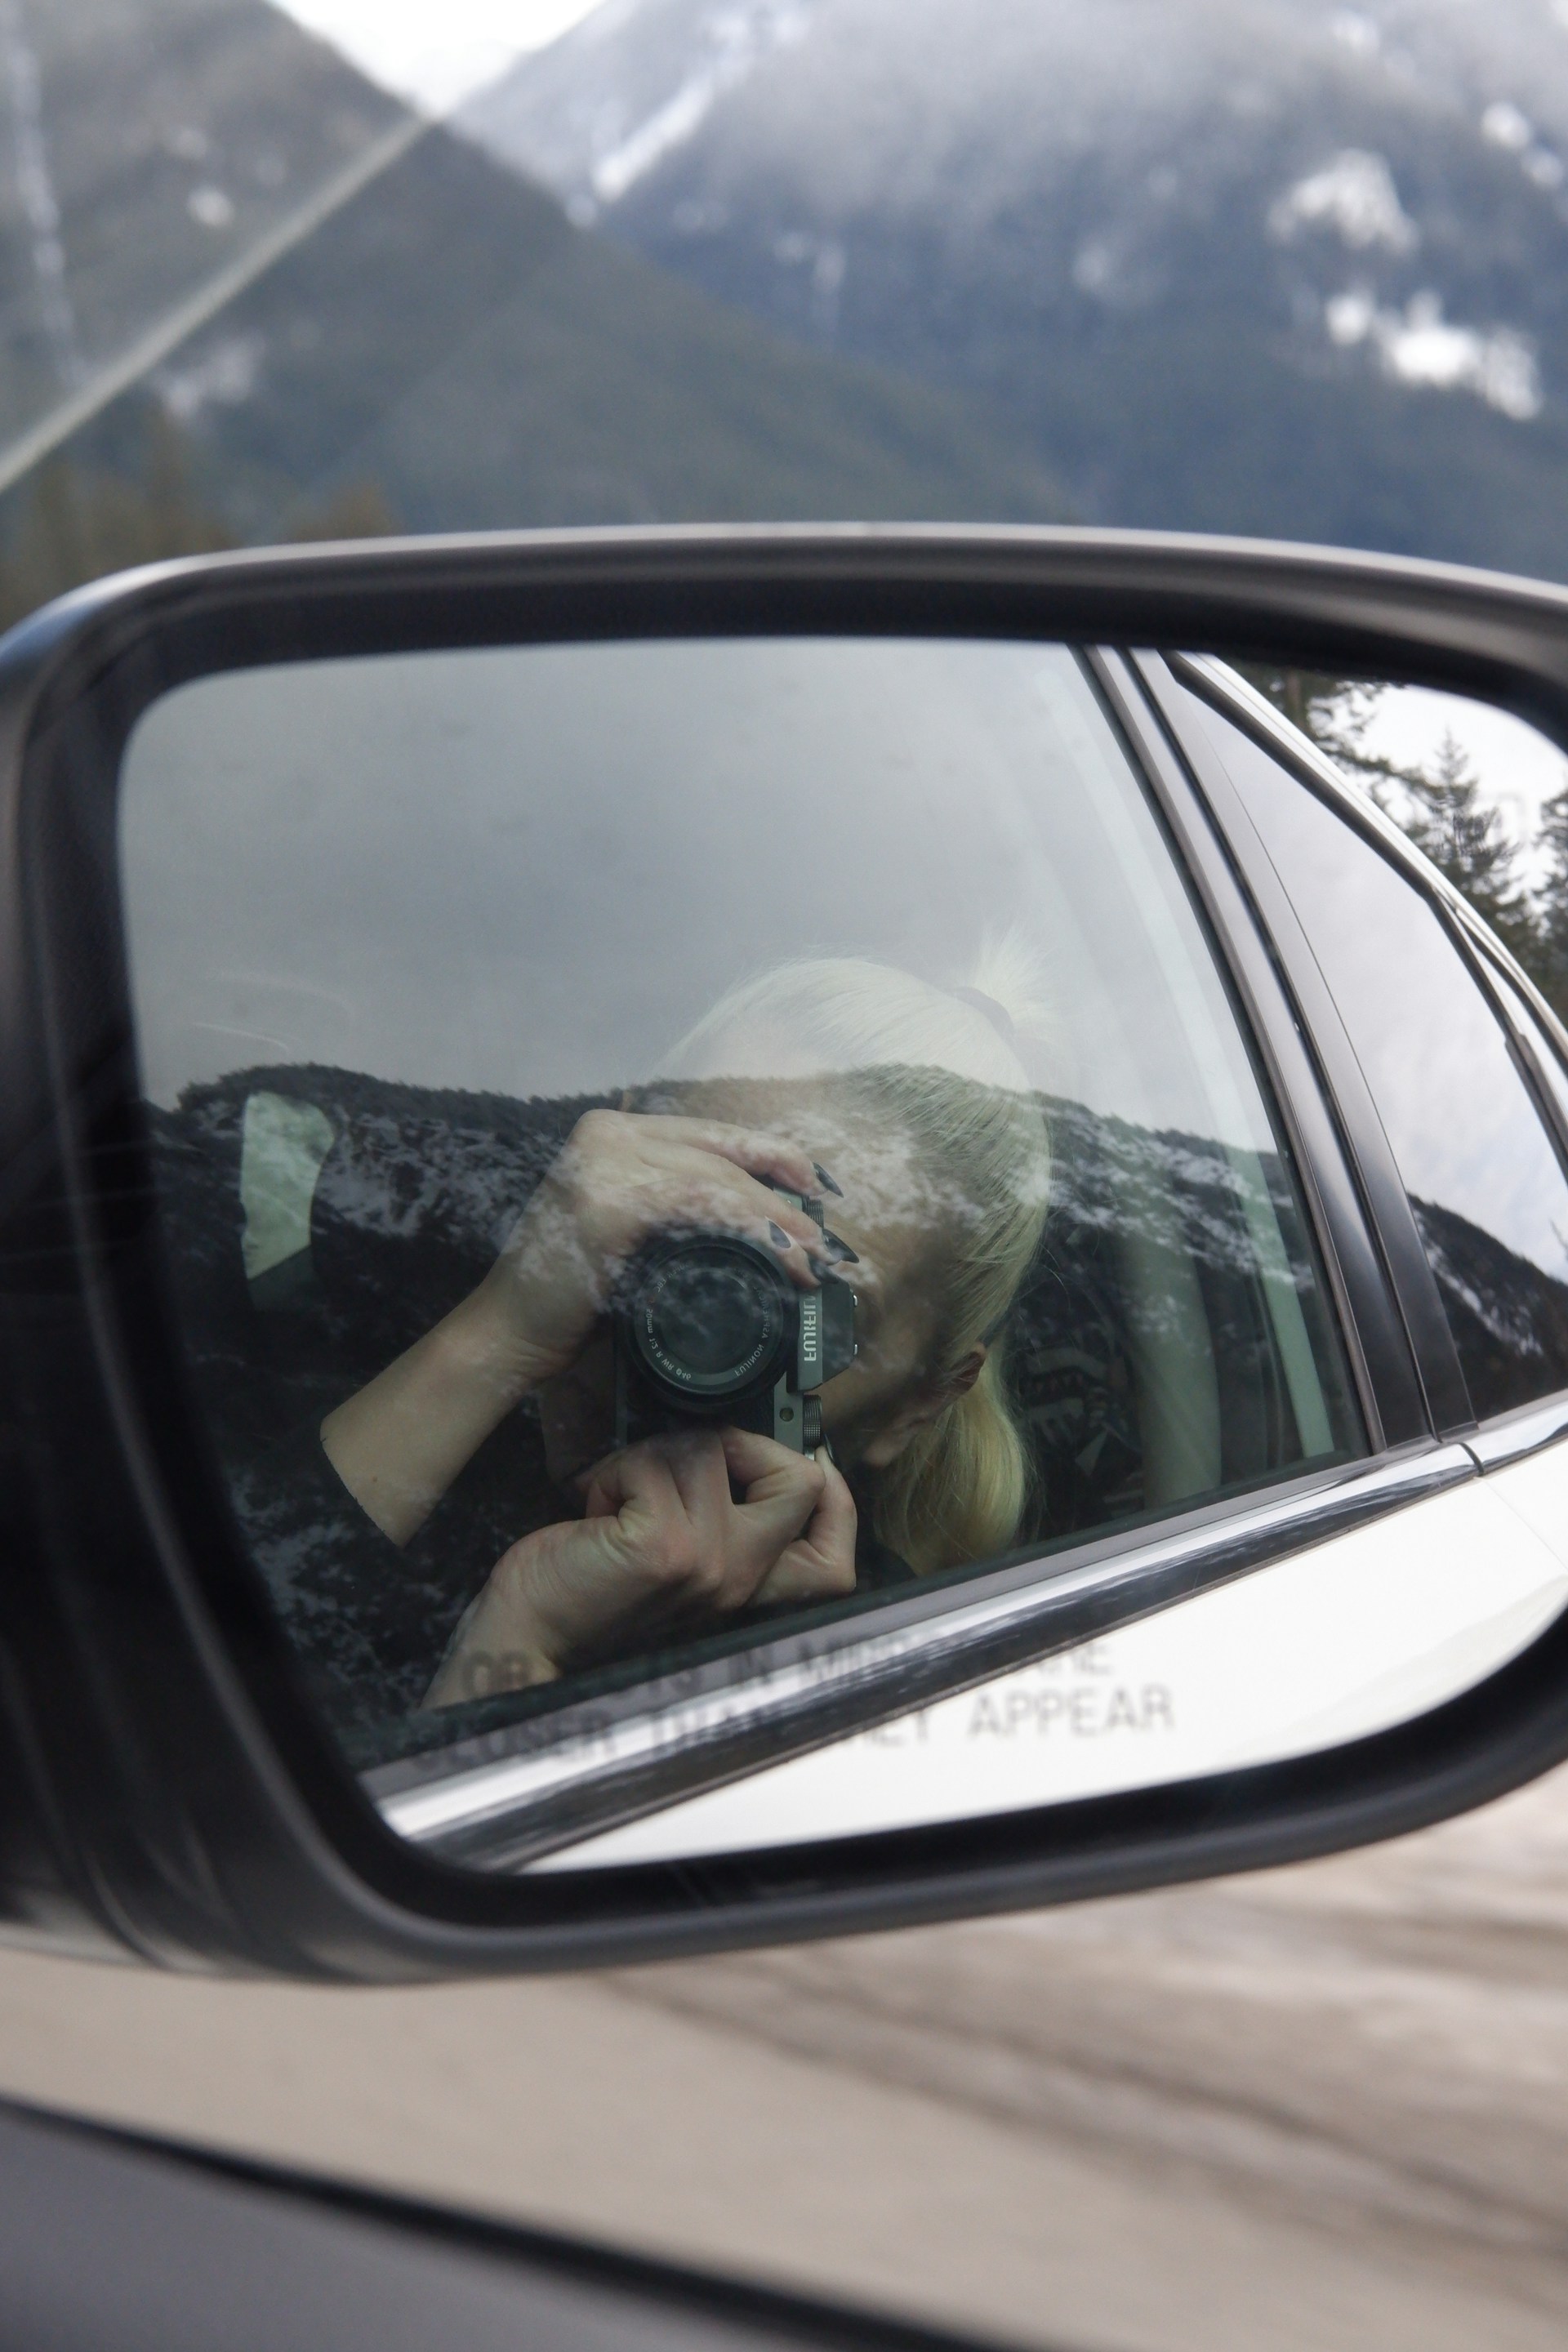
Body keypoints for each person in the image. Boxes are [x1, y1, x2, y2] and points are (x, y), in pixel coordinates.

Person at [314, 940, 1056, 1708]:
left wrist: (535, 1641)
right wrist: (495, 1339)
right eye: (693, 1219)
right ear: (608, 1155)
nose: (715, 1315)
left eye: (816, 1304)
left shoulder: (900, 1677)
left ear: (920, 1400)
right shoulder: (350, 1332)